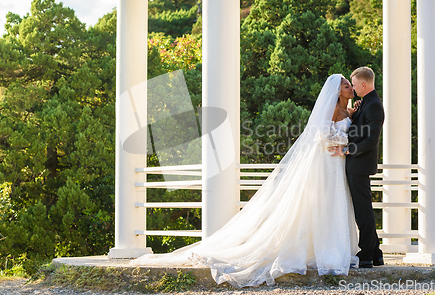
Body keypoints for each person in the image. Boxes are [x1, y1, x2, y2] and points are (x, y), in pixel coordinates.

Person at [131, 74, 359, 288]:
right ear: (336, 91)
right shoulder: (330, 110)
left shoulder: (346, 110)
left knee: (335, 205)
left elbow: (348, 123)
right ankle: (329, 256)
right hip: (327, 164)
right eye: (346, 85)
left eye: (351, 84)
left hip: (338, 165)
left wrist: (352, 117)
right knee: (325, 204)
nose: (350, 88)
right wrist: (341, 144)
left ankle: (336, 252)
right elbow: (320, 136)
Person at [330, 67, 385, 268]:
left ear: (363, 85)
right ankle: (377, 253)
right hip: (356, 164)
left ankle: (367, 254)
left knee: (363, 212)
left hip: (359, 165)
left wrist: (346, 150)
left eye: (354, 84)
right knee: (364, 209)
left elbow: (371, 141)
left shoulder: (374, 106)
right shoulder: (367, 103)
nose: (353, 88)